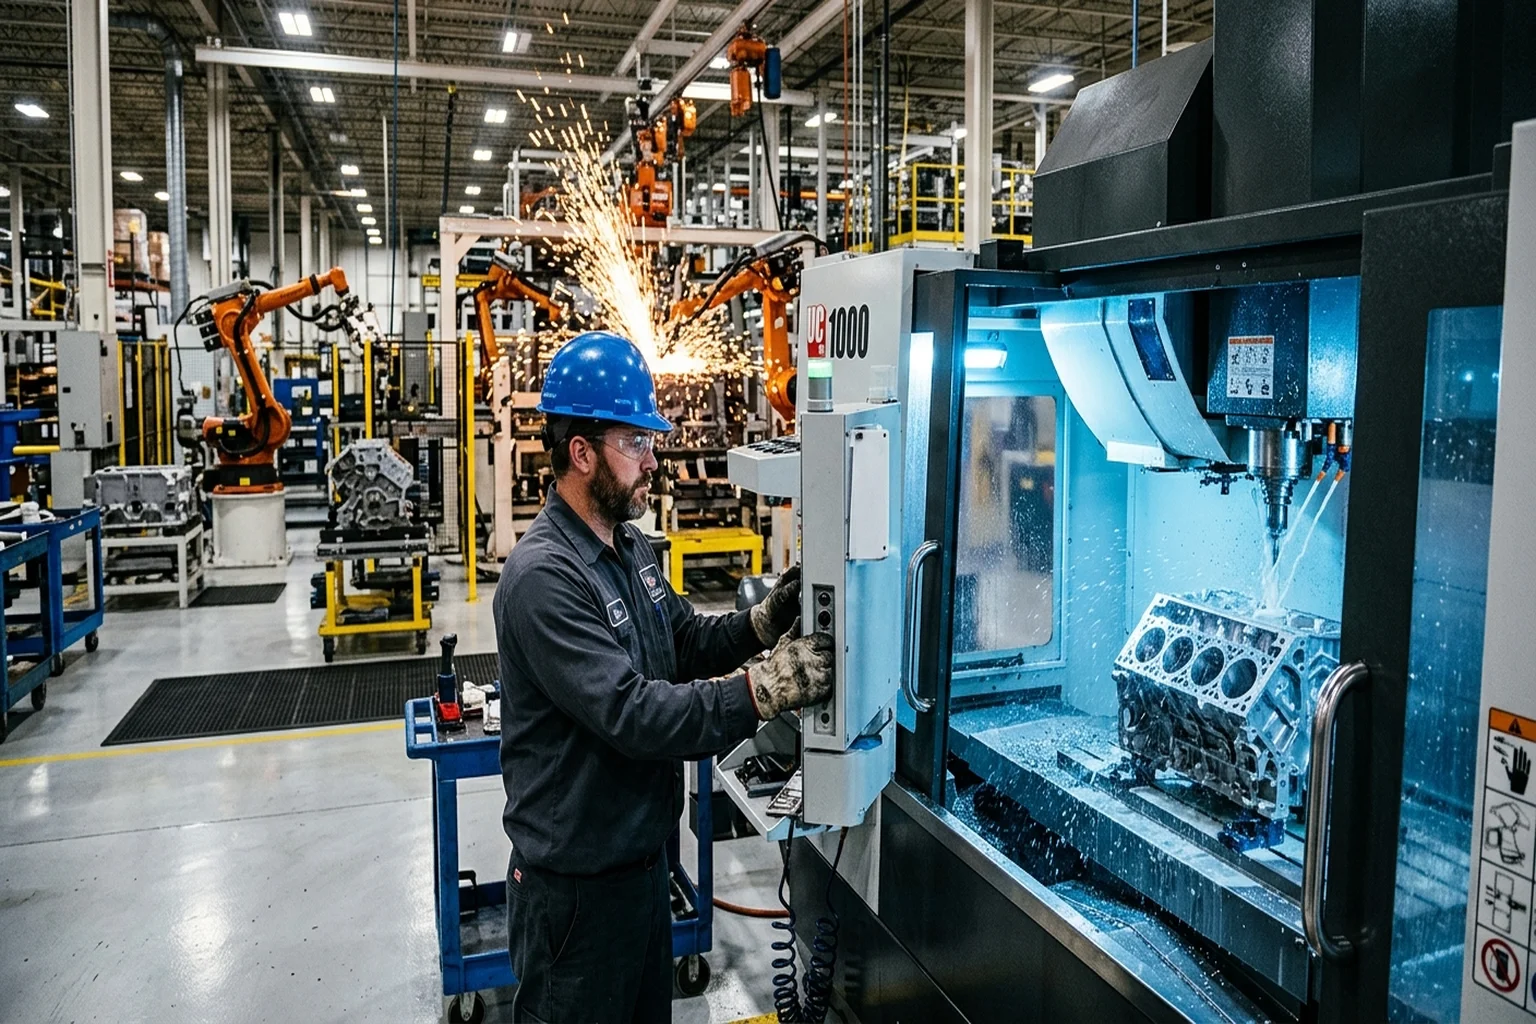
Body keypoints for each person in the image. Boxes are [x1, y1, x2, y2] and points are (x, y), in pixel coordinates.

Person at [494, 331, 834, 1024]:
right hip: (575, 899)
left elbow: (680, 637)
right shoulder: (543, 578)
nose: (654, 460)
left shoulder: (627, 547)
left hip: (643, 875)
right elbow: (635, 714)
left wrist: (763, 623)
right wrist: (764, 689)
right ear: (582, 453)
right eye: (636, 444)